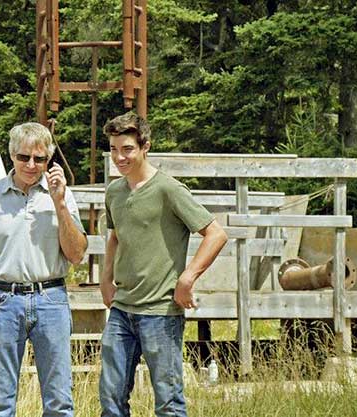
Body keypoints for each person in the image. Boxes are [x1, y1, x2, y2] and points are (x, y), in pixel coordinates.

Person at [99, 112, 228, 417]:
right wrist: (106, 277)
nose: (120, 157)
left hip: (160, 313)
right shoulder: (114, 192)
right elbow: (116, 236)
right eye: (114, 149)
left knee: (168, 403)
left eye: (127, 149)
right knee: (111, 399)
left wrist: (187, 278)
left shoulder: (168, 190)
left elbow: (216, 234)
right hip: (122, 310)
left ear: (145, 146)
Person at [0, 122, 88, 417]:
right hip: (2, 301)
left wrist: (58, 203)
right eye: (23, 157)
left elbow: (77, 254)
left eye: (39, 159)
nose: (31, 165)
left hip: (51, 298)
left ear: (49, 160)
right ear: (11, 156)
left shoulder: (63, 196)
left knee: (59, 401)